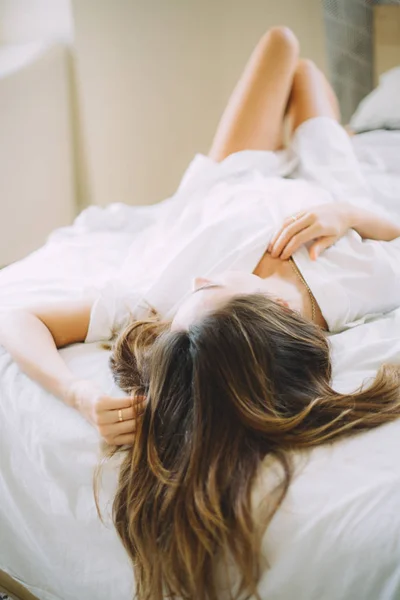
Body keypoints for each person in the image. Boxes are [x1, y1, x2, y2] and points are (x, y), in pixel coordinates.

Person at [1, 26, 400, 597]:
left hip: (228, 181)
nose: (199, 277)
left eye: (198, 290)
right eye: (213, 287)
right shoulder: (353, 281)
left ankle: (327, 130)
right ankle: (346, 132)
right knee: (306, 74)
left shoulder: (164, 300)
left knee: (285, 49)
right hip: (323, 192)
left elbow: (16, 318)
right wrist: (349, 215)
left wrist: (79, 395)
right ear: (276, 309)